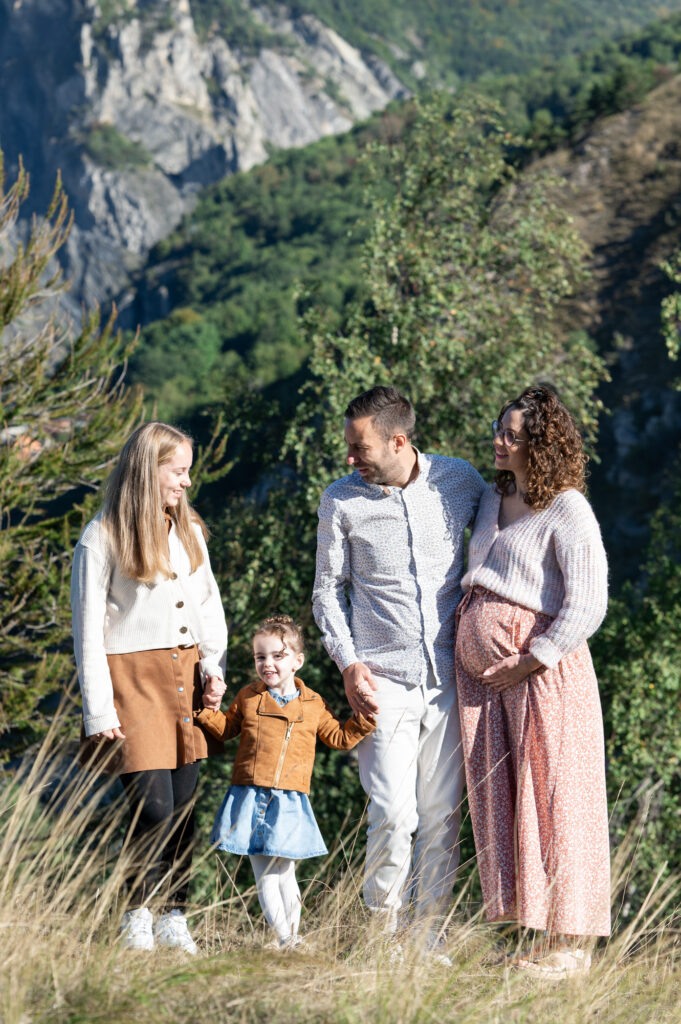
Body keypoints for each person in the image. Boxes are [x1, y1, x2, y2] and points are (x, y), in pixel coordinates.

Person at [312, 386, 485, 945]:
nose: (350, 458)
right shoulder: (341, 500)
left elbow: (507, 531)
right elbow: (326, 592)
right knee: (391, 813)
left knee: (441, 818)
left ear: (399, 441)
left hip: (450, 677)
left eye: (359, 447)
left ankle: (427, 939)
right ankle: (380, 937)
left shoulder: (459, 482)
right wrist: (348, 663)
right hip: (380, 682)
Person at [455, 384, 610, 977]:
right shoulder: (496, 498)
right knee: (508, 802)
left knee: (555, 797)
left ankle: (571, 948)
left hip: (544, 676)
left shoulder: (567, 509)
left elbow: (588, 603)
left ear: (539, 444)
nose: (499, 440)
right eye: (499, 428)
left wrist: (530, 658)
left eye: (512, 435)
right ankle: (536, 935)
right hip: (490, 685)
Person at [71, 421, 228, 954]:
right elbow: (88, 629)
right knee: (152, 806)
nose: (186, 482)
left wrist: (214, 665)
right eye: (178, 472)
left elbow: (209, 603)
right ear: (148, 470)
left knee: (184, 805)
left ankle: (174, 916)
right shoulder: (102, 536)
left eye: (187, 471)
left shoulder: (188, 529)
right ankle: (136, 912)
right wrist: (98, 711)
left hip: (185, 678)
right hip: (130, 684)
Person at [196, 615, 375, 949]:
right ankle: (285, 938)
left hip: (291, 799)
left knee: (285, 872)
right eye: (260, 657)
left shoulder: (312, 703)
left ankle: (292, 936)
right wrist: (207, 711)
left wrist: (364, 720)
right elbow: (227, 729)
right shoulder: (249, 697)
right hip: (250, 793)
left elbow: (337, 736)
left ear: (297, 661)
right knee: (265, 872)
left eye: (278, 656)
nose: (268, 664)